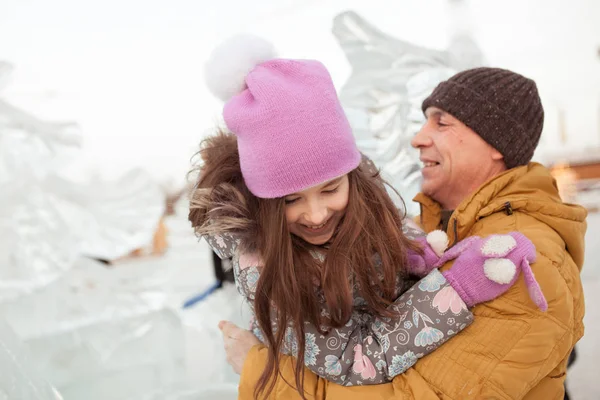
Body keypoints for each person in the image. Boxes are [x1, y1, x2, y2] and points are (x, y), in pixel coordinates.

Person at [190, 36, 549, 399]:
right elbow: (354, 361)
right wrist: (454, 290)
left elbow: (396, 238)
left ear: (352, 176)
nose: (315, 214)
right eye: (290, 200)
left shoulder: (369, 208)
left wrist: (415, 255)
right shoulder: (266, 268)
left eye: (330, 190)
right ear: (263, 201)